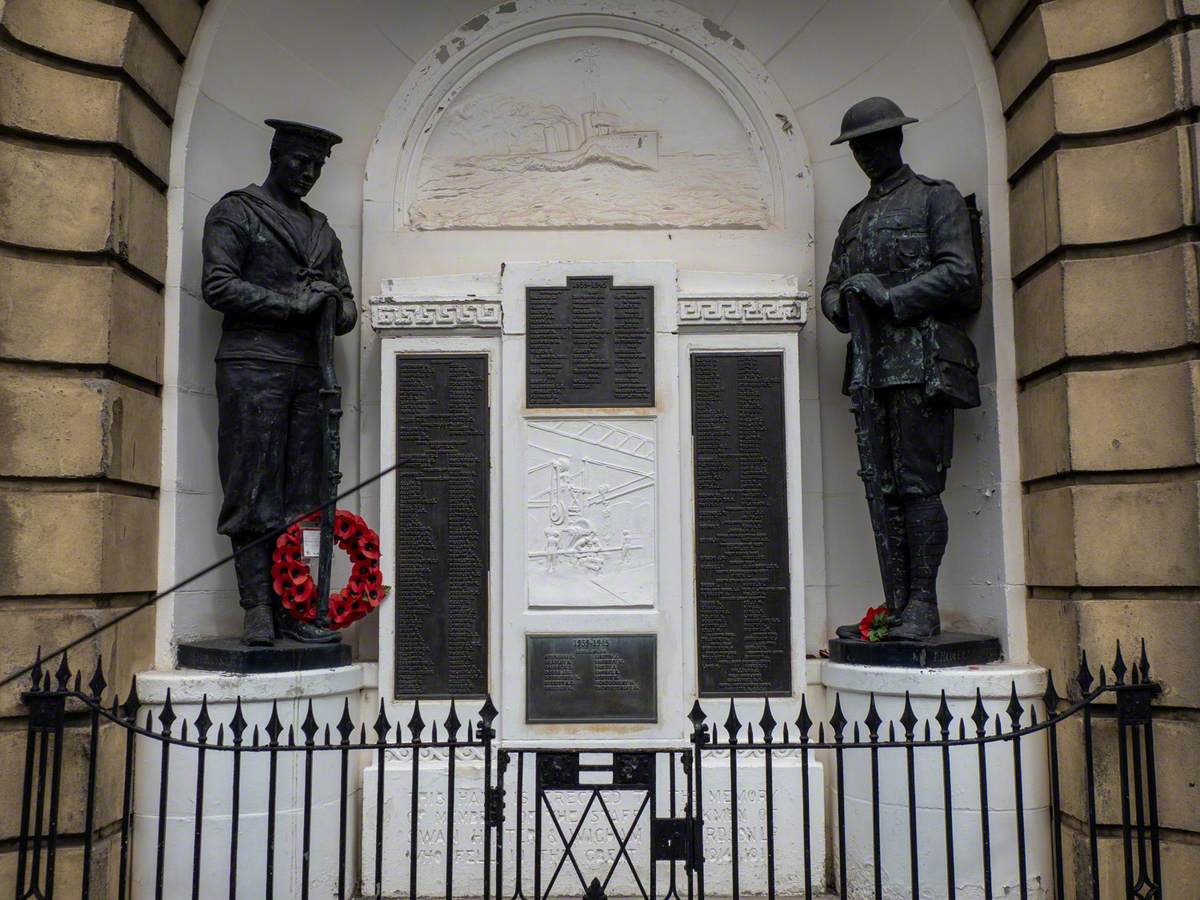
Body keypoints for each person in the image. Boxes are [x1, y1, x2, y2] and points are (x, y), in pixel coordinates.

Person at [822, 98, 981, 641]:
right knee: (879, 487)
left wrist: (890, 296)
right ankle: (894, 604)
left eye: (874, 142)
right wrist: (841, 303)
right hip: (870, 371)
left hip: (920, 365)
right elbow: (831, 288)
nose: (866, 154)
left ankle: (923, 605)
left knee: (916, 487)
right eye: (857, 147)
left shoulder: (936, 200)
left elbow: (961, 275)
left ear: (896, 140)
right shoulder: (855, 219)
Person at [202, 119, 358, 646]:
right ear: (276, 155)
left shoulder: (323, 231)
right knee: (252, 489)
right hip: (253, 365)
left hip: (310, 374)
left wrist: (334, 305)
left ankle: (295, 605)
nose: (307, 173)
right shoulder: (237, 211)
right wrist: (292, 304)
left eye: (316, 166)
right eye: (299, 162)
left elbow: (347, 307)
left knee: (303, 494)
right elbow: (218, 284)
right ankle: (258, 608)